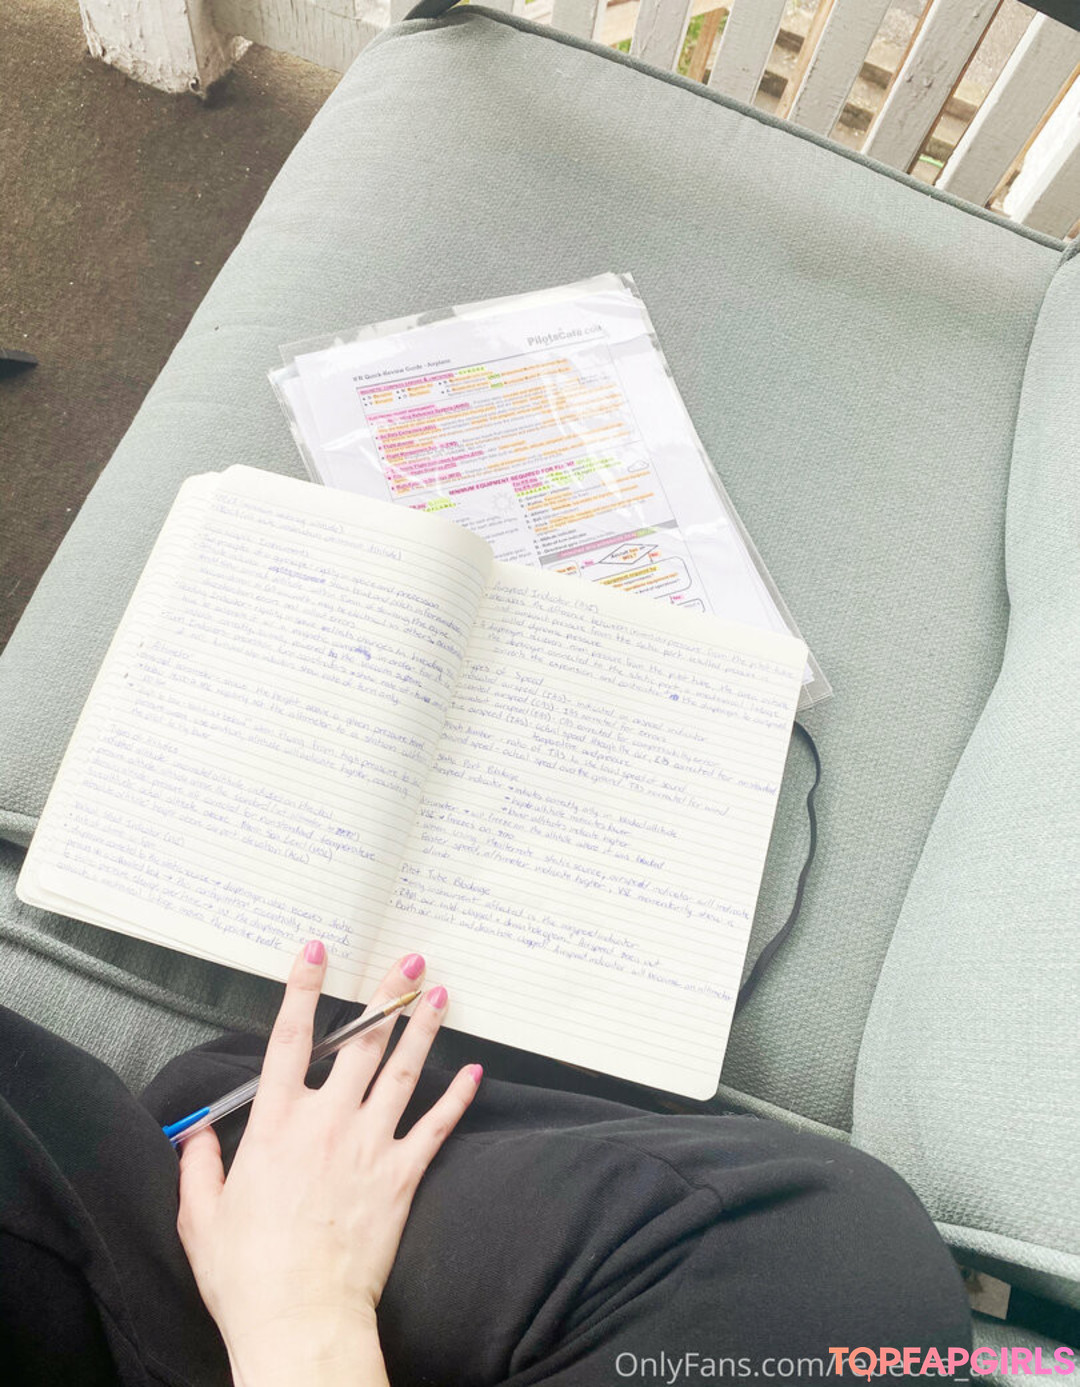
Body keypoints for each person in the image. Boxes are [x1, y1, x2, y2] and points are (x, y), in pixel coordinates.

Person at [0, 942, 971, 1386]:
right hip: (209, 1305)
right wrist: (301, 1322)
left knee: (236, 1090)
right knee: (836, 1271)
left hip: (140, 1170)